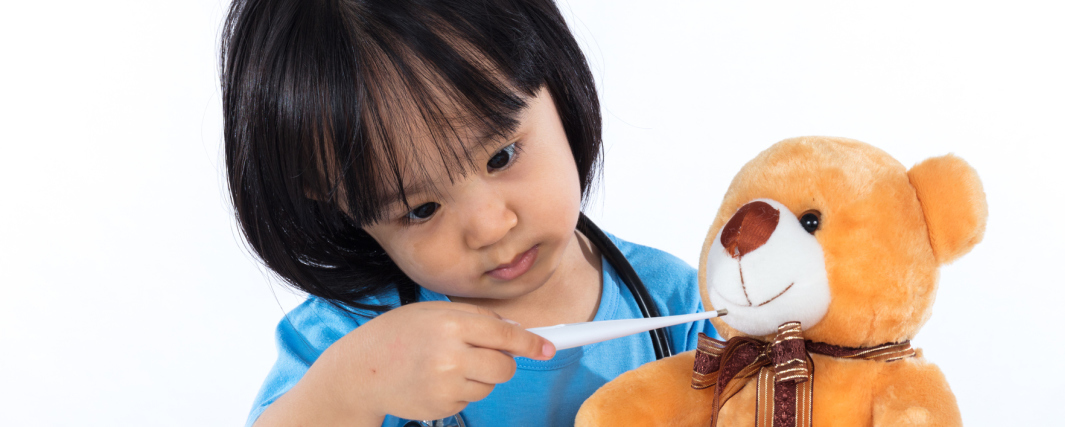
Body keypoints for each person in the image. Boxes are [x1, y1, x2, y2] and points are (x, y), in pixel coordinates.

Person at [220, 0, 719, 426]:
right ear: (333, 200)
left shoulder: (675, 306)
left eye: (501, 156)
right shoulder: (347, 341)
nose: (490, 226)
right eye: (421, 208)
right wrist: (350, 388)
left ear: (556, 82)